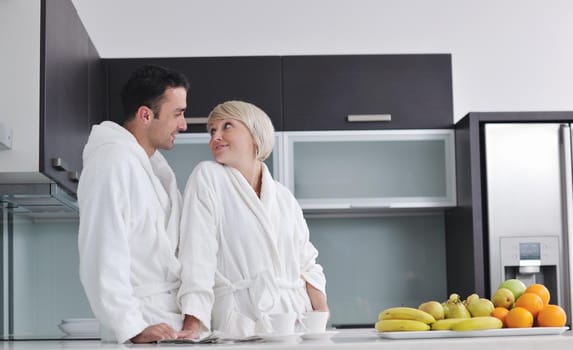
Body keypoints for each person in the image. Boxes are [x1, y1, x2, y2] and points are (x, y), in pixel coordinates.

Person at [177, 100, 329, 338]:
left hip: (294, 320)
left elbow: (307, 264)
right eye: (212, 131)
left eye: (227, 126)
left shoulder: (283, 196)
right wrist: (192, 324)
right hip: (239, 321)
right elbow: (197, 255)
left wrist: (320, 317)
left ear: (255, 134)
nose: (215, 136)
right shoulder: (208, 177)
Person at [77, 64, 193, 343]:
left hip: (164, 323)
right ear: (145, 115)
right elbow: (102, 251)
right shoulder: (111, 162)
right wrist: (131, 327)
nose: (184, 125)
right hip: (139, 325)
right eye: (177, 114)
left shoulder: (153, 169)